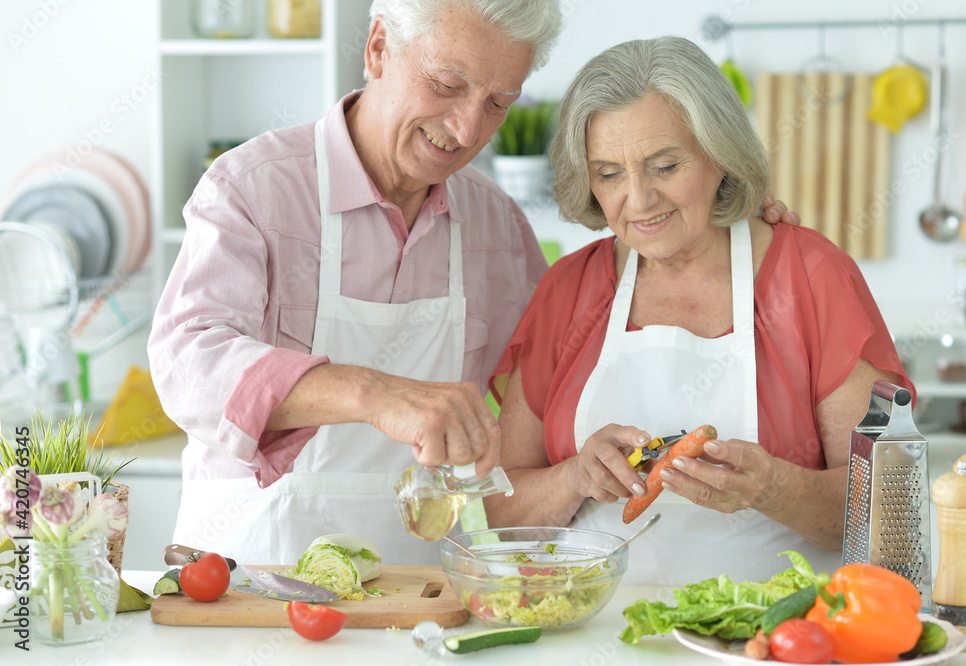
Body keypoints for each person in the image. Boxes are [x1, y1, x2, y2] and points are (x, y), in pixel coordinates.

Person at [148, 1, 795, 566]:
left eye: (496, 103)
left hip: (425, 596)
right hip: (249, 580)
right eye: (446, 84)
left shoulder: (495, 225)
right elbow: (186, 363)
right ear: (377, 48)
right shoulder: (254, 188)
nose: (465, 129)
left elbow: (560, 383)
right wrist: (373, 392)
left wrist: (728, 209)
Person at [484, 36, 913, 585]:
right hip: (590, 630)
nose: (639, 200)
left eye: (665, 166)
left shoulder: (810, 277)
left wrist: (770, 487)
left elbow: (887, 512)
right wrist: (573, 478)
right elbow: (500, 515)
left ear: (719, 155)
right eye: (609, 173)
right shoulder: (568, 290)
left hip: (769, 633)